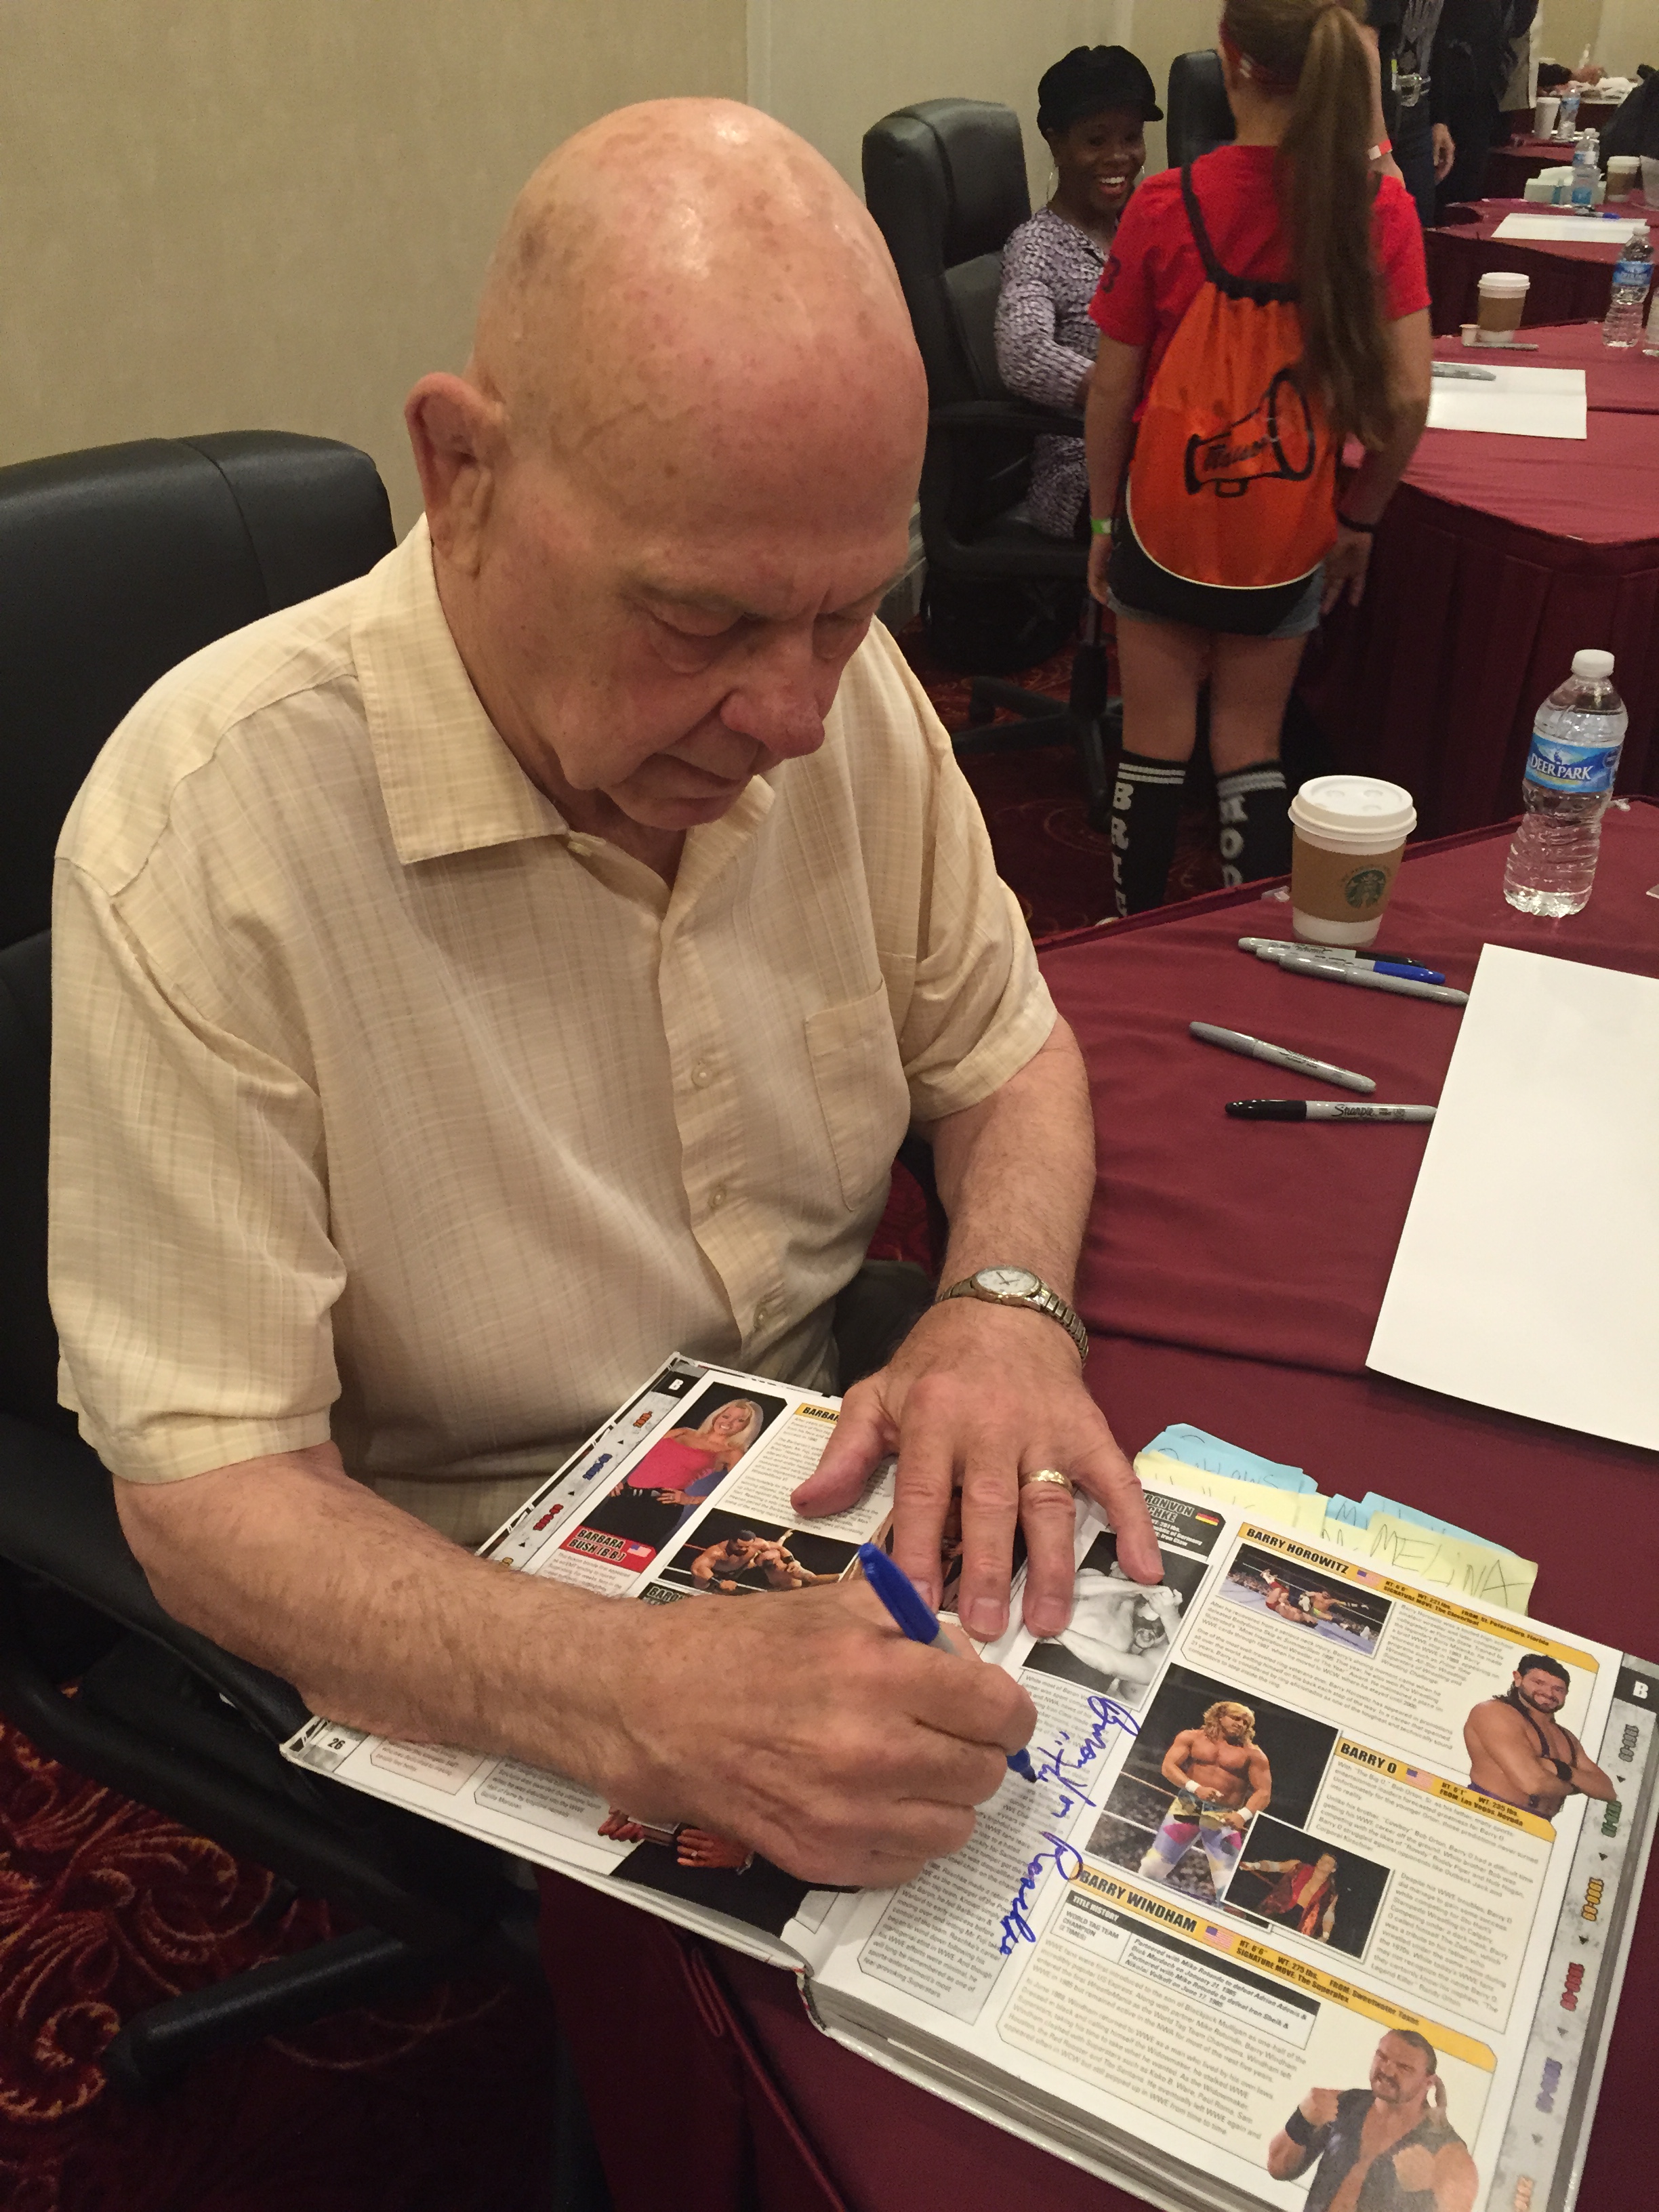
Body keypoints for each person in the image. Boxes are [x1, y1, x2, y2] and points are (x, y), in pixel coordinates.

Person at [50, 98, 1164, 1899]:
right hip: (476, 1590)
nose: (794, 717)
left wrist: (1005, 1308)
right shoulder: (204, 831)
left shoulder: (847, 701)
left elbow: (1007, 1056)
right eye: (703, 623)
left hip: (814, 1472)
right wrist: (635, 1693)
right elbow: (207, 1500)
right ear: (461, 473)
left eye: (847, 611)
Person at [1084, 0, 1433, 916]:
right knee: (1250, 743)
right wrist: (1359, 519)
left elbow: (1111, 392)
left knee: (1153, 741)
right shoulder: (1376, 209)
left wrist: (1104, 520)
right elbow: (1407, 398)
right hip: (1287, 521)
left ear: (1228, 56)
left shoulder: (1164, 203)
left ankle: (1132, 934)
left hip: (1165, 515)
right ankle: (1250, 945)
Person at [994, 45, 1160, 537]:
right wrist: (1121, 394)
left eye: (1131, 137)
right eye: (1096, 140)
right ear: (1056, 143)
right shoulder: (1037, 245)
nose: (1119, 157)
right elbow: (1023, 353)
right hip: (1079, 470)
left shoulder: (1141, 228)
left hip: (1155, 450)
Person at [1267, 2030, 1480, 2211]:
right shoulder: (1344, 2105)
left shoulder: (1449, 2154)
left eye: (1404, 2067)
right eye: (1382, 2057)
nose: (1387, 2070)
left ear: (1428, 2082)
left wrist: (1423, 2193)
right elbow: (1277, 2168)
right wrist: (1302, 2122)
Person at [1137, 1700, 1272, 1891]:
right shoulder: (1191, 1737)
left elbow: (1264, 1792)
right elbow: (1168, 1766)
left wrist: (1243, 1815)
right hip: (1188, 1805)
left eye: (1246, 1723)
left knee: (1226, 1882)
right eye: (1236, 1718)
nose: (1240, 1724)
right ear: (1220, 1716)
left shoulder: (1253, 1754)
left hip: (1224, 1816)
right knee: (1152, 1867)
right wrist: (1195, 1788)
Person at [1464, 1655, 1616, 1817]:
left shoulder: (1567, 1737)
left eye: (1558, 1689)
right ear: (1518, 1679)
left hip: (1541, 1826)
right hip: (1488, 1816)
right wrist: (1581, 1786)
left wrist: (1562, 1770)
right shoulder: (1494, 1712)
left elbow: (1607, 1790)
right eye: (1539, 1683)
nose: (1549, 1693)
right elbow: (1533, 1783)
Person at [1433, 0, 1540, 211]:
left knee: (1464, 198)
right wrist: (1439, 118)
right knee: (1446, 198)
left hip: (1484, 100)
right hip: (1451, 99)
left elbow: (1518, 27)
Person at [1042, 1558, 1184, 1699]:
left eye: (1143, 1578)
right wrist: (1142, 1588)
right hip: (1052, 1657)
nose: (1135, 1578)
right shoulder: (1093, 1577)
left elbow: (1111, 1663)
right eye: (1132, 1572)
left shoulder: (1135, 1620)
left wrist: (1169, 1612)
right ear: (1114, 1565)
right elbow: (1071, 1589)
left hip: (1085, 1675)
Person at [626, 1395, 763, 1518]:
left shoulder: (733, 1453)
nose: (728, 1423)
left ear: (747, 1426)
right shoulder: (683, 1432)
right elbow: (636, 1449)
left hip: (659, 1506)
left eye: (740, 1420)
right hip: (624, 1493)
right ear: (717, 1416)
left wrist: (692, 1500)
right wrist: (617, 1477)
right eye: (726, 1416)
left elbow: (741, 1494)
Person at [1239, 1847, 1340, 1940]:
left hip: (1299, 1924)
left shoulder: (1331, 1892)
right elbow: (1275, 1866)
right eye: (1322, 1859)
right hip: (1276, 1909)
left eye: (1328, 1862)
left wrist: (1325, 1936)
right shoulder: (1298, 1866)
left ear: (1333, 1869)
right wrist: (1255, 1865)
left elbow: (1329, 1914)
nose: (1323, 1862)